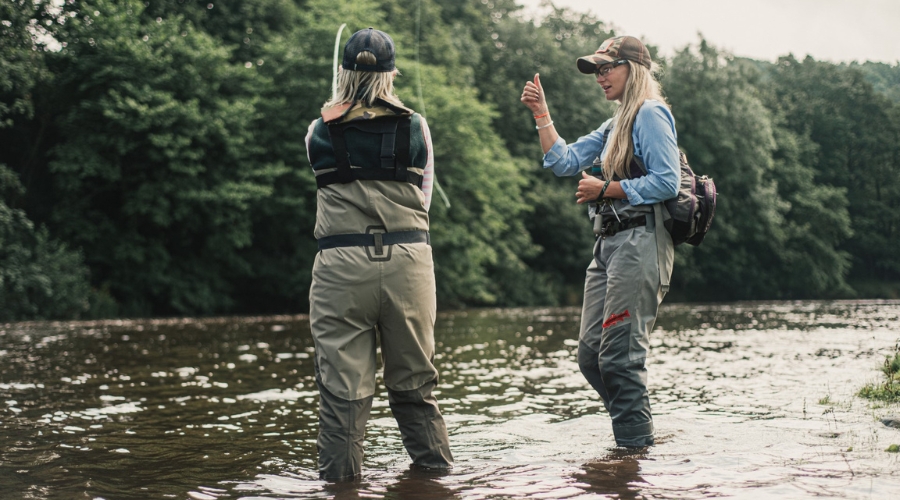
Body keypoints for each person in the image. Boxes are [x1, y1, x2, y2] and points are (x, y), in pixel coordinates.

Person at [305, 27, 453, 480]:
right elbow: (422, 200)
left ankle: (340, 488)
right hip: (408, 262)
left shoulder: (317, 131)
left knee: (342, 393)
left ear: (343, 74)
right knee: (415, 385)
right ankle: (436, 482)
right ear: (391, 75)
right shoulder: (417, 126)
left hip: (341, 267)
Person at [520, 35, 679, 448]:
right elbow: (564, 161)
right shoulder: (617, 122)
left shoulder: (651, 113)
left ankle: (633, 455)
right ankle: (637, 441)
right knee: (591, 357)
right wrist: (542, 114)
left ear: (634, 69)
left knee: (620, 361)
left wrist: (605, 189)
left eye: (607, 68)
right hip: (607, 247)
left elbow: (667, 181)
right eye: (597, 70)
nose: (600, 76)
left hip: (641, 243)